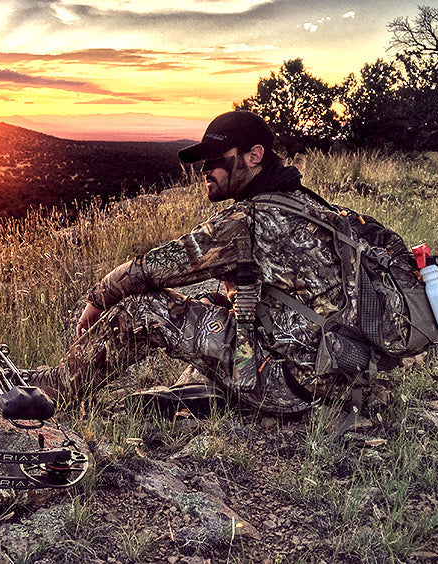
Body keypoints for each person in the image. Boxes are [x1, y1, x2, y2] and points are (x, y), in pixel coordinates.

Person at [30, 111, 350, 416]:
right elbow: (282, 291)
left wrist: (97, 299)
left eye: (216, 159)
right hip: (333, 377)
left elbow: (152, 267)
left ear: (254, 156)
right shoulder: (308, 204)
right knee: (210, 300)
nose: (205, 169)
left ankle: (57, 388)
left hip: (289, 384)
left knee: (145, 307)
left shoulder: (246, 221)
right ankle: (205, 390)